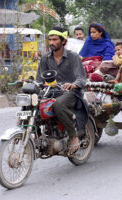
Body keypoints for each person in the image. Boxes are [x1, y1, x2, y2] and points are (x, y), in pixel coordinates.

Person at [36, 27, 87, 156]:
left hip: (71, 93)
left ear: (63, 41)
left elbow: (81, 78)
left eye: (55, 39)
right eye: (50, 39)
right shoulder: (45, 58)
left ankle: (73, 136)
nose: (51, 42)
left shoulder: (73, 57)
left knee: (57, 104)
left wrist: (73, 85)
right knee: (33, 102)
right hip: (50, 91)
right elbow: (39, 78)